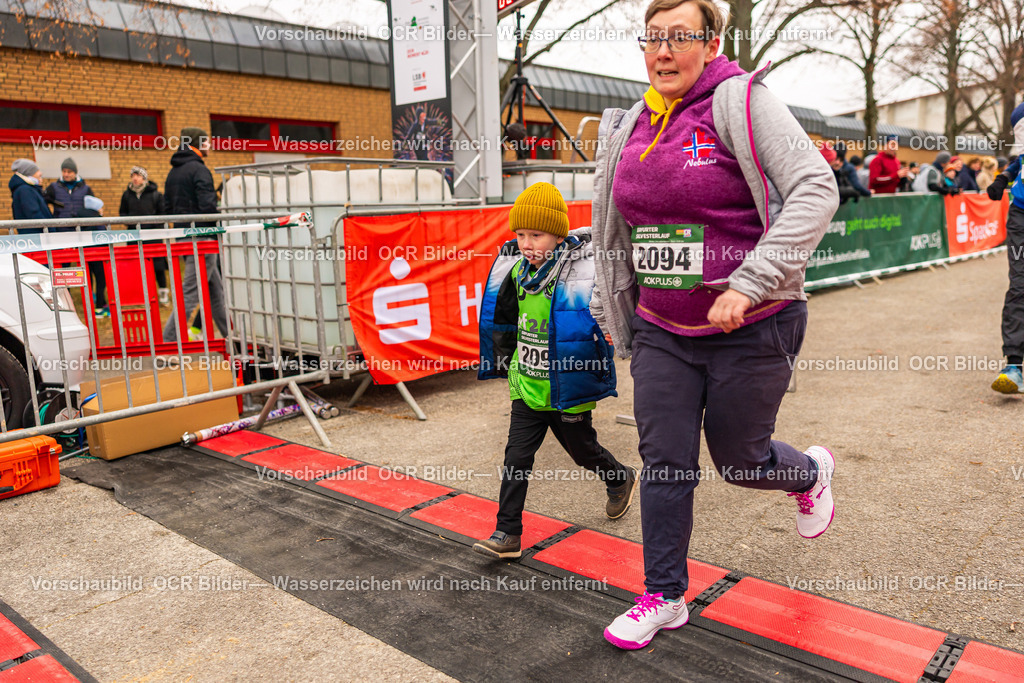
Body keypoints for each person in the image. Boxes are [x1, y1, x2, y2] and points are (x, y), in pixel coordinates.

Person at [591, 0, 839, 650]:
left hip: (753, 326)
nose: (663, 51)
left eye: (680, 38)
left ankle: (809, 474)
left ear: (711, 42)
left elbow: (817, 187)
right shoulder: (631, 124)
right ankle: (664, 594)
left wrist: (752, 279)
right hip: (662, 330)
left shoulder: (743, 102)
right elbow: (617, 226)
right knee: (665, 461)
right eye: (653, 39)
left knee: (740, 460)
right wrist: (612, 306)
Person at [474, 182, 638, 559]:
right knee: (516, 458)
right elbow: (505, 320)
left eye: (537, 235)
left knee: (583, 451)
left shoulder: (580, 272)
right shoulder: (515, 270)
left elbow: (607, 304)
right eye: (520, 234)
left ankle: (619, 476)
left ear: (558, 233)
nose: (527, 243)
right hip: (527, 386)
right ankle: (507, 533)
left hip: (567, 386)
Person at [161, 127, 228, 342]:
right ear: (197, 144)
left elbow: (168, 207)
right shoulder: (199, 170)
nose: (210, 145)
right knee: (190, 294)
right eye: (206, 142)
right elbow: (208, 206)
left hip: (184, 237)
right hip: (203, 239)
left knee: (216, 293)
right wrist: (218, 225)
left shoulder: (173, 172)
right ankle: (169, 342)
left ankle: (232, 338)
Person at [985, 103, 1024, 393]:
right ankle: (1014, 365)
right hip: (1021, 215)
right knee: (1019, 285)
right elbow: (1020, 159)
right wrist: (1003, 177)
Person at [120, 166, 169, 304]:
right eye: (133, 175)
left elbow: (162, 214)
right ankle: (141, 294)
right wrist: (130, 221)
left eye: (138, 175)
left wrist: (155, 228)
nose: (135, 178)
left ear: (144, 178)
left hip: (152, 236)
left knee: (158, 266)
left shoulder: (156, 195)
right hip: (134, 236)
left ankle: (163, 292)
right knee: (136, 266)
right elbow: (122, 213)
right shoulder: (127, 195)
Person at [76, 195, 109, 317]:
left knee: (87, 280)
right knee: (101, 280)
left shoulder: (79, 218)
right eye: (101, 208)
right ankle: (100, 307)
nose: (102, 210)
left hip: (84, 254)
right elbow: (103, 236)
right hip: (98, 254)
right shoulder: (98, 219)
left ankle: (89, 306)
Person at [44, 157, 94, 225]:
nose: (66, 174)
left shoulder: (85, 188)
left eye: (69, 172)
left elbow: (92, 207)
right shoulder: (53, 187)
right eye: (64, 171)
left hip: (80, 227)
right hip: (60, 227)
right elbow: (43, 202)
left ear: (75, 172)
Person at [8, 159, 51, 228]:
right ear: (29, 172)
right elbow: (34, 214)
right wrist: (50, 229)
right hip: (36, 234)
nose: (40, 173)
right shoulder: (25, 190)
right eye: (36, 171)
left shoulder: (29, 189)